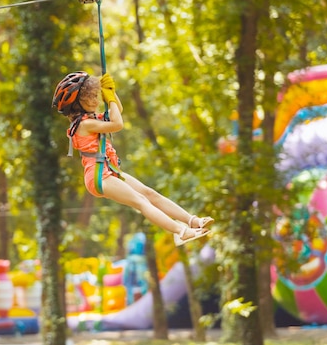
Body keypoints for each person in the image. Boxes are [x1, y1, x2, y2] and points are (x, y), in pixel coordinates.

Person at [52, 71, 213, 246]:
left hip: (109, 170)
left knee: (150, 194)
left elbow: (117, 112)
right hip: (99, 175)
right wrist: (110, 97)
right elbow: (117, 124)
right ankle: (180, 232)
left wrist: (112, 93)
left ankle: (192, 221)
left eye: (95, 95)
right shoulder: (85, 124)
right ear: (78, 104)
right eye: (90, 97)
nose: (96, 100)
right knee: (141, 201)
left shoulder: (91, 118)